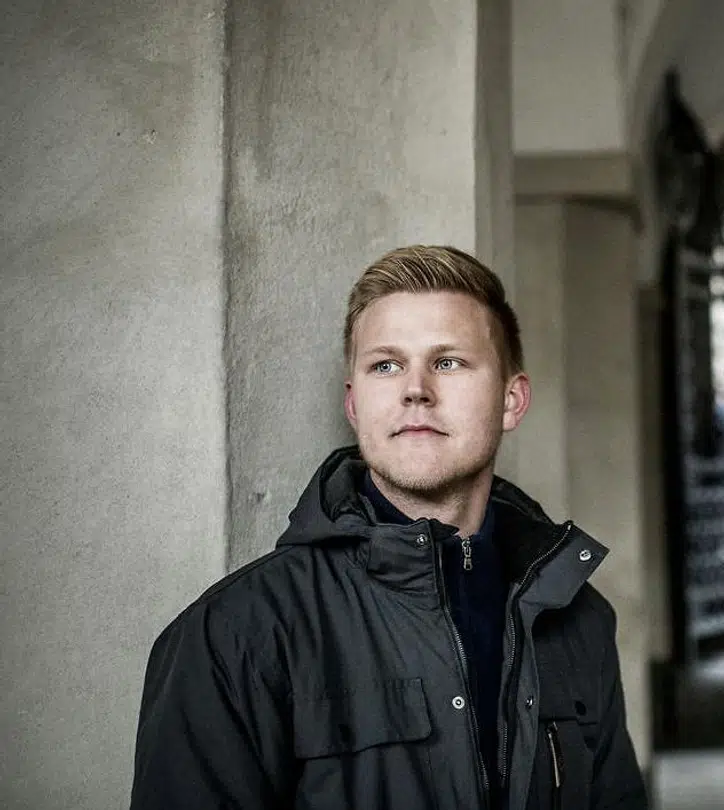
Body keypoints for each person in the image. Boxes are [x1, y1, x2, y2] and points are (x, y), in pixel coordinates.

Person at [131, 246, 647, 810]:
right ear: (354, 405)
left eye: (448, 361)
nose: (416, 389)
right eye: (386, 365)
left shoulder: (579, 620)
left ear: (511, 400)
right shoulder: (236, 635)